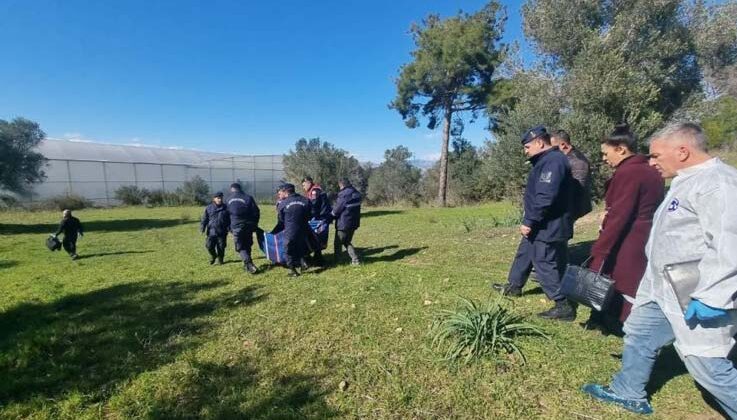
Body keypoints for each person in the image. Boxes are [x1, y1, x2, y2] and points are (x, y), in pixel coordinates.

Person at [583, 122, 737, 417]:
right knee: (639, 332)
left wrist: (713, 297)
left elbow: (730, 245)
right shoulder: (685, 180)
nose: (651, 162)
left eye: (656, 155)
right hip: (662, 286)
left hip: (696, 294)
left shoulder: (718, 184)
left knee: (708, 366)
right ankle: (628, 391)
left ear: (682, 151)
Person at [585, 125, 664, 334]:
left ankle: (633, 329)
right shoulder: (650, 171)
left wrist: (599, 251)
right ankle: (608, 319)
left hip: (628, 239)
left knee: (624, 283)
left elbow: (620, 215)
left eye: (605, 152)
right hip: (644, 235)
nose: (603, 158)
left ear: (620, 149)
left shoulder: (629, 173)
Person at [493, 125, 576, 321]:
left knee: (543, 261)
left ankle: (562, 304)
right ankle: (514, 286)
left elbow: (545, 196)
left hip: (549, 223)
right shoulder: (546, 160)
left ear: (539, 142)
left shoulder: (553, 162)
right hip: (542, 222)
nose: (525, 151)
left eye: (527, 147)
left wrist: (529, 220)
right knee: (526, 252)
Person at [550, 129, 593, 220]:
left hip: (576, 213)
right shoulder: (564, 159)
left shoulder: (578, 162)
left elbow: (578, 189)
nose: (551, 151)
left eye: (553, 147)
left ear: (563, 145)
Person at [271, 183, 311, 277]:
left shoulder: (283, 203)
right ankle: (303, 263)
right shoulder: (305, 200)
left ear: (286, 192)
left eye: (281, 192)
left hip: (290, 230)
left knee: (288, 250)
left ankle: (293, 271)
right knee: (300, 246)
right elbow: (310, 214)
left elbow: (281, 220)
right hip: (303, 229)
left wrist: (275, 231)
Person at [226, 182, 260, 274]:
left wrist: (229, 227)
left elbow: (226, 215)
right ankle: (247, 265)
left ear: (231, 189)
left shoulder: (228, 199)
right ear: (240, 189)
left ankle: (249, 264)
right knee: (247, 244)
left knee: (240, 247)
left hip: (236, 226)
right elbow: (256, 212)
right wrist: (254, 224)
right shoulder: (248, 197)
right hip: (248, 225)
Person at [331, 177, 361, 265]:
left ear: (341, 184)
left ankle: (338, 262)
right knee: (346, 241)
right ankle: (355, 260)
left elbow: (337, 209)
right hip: (354, 222)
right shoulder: (356, 192)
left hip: (344, 222)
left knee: (338, 243)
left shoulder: (344, 194)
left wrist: (330, 215)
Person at [302, 176, 331, 265]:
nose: (303, 188)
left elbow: (314, 206)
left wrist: (307, 215)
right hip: (323, 217)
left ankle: (318, 258)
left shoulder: (315, 191)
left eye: (304, 185)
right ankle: (317, 257)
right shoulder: (317, 189)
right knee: (319, 237)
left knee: (317, 237)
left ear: (308, 182)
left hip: (319, 218)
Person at [200, 191, 230, 265]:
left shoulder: (226, 208)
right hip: (211, 231)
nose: (220, 199)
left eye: (221, 198)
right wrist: (202, 227)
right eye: (218, 198)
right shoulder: (209, 208)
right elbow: (205, 219)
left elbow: (230, 219)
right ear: (214, 199)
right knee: (209, 246)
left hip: (222, 231)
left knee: (221, 247)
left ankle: (220, 259)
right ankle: (213, 256)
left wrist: (230, 228)